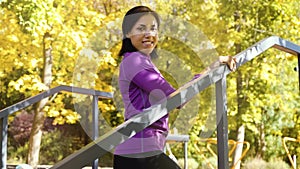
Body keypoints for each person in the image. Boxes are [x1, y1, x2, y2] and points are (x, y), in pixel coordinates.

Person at [113, 6, 236, 169]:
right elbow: (176, 99)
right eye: (141, 28)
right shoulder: (135, 61)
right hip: (138, 152)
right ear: (128, 33)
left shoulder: (139, 61)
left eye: (153, 29)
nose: (149, 34)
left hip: (141, 151)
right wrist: (211, 68)